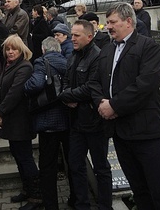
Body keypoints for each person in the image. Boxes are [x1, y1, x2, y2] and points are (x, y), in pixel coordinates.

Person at [91, 3, 160, 210]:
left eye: (112, 22)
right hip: (120, 132)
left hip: (145, 132)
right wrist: (101, 103)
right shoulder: (107, 50)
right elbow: (93, 82)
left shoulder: (148, 47)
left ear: (128, 21)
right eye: (107, 22)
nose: (107, 27)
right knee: (139, 190)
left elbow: (145, 84)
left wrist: (114, 106)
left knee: (159, 189)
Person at [59, 20, 112, 210]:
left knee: (101, 168)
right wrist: (66, 96)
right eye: (71, 34)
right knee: (75, 165)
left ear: (89, 37)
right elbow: (65, 80)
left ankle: (105, 205)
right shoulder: (73, 56)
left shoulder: (97, 57)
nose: (72, 38)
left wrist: (68, 95)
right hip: (76, 122)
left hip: (94, 122)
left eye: (76, 35)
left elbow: (92, 87)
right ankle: (82, 204)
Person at [24, 37, 74, 210]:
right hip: (67, 120)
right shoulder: (68, 62)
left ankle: (51, 203)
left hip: (48, 122)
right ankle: (74, 198)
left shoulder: (41, 62)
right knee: (72, 162)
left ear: (44, 50)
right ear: (59, 49)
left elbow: (35, 84)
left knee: (47, 166)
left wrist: (26, 86)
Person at [0, 35, 42, 210]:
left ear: (21, 49)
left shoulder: (24, 67)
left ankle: (36, 197)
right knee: (18, 156)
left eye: (14, 48)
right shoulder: (10, 66)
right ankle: (27, 189)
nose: (10, 52)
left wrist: (0, 112)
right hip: (12, 121)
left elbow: (14, 92)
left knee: (25, 158)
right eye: (7, 49)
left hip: (21, 121)